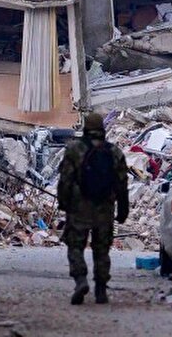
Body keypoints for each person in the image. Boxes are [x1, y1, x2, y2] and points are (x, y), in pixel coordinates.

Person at [57, 112, 129, 305]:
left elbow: (65, 179)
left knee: (75, 246)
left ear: (86, 128)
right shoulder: (114, 152)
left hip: (80, 207)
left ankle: (80, 280)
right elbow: (122, 184)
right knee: (102, 249)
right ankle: (101, 289)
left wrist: (63, 202)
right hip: (104, 208)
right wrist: (123, 210)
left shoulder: (74, 149)